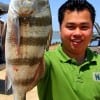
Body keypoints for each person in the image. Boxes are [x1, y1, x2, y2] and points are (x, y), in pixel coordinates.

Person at [37, 0, 100, 100]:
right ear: (60, 28)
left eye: (84, 27)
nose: (77, 33)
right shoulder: (47, 61)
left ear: (92, 29)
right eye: (71, 27)